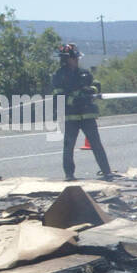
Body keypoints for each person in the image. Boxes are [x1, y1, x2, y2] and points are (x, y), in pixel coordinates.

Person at [51, 43, 113, 181]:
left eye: (77, 58)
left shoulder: (84, 73)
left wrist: (91, 90)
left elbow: (96, 85)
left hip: (87, 115)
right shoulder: (58, 76)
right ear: (66, 59)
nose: (77, 60)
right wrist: (74, 98)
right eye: (74, 58)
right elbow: (58, 96)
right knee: (69, 146)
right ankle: (69, 175)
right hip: (70, 116)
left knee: (96, 144)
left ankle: (107, 172)